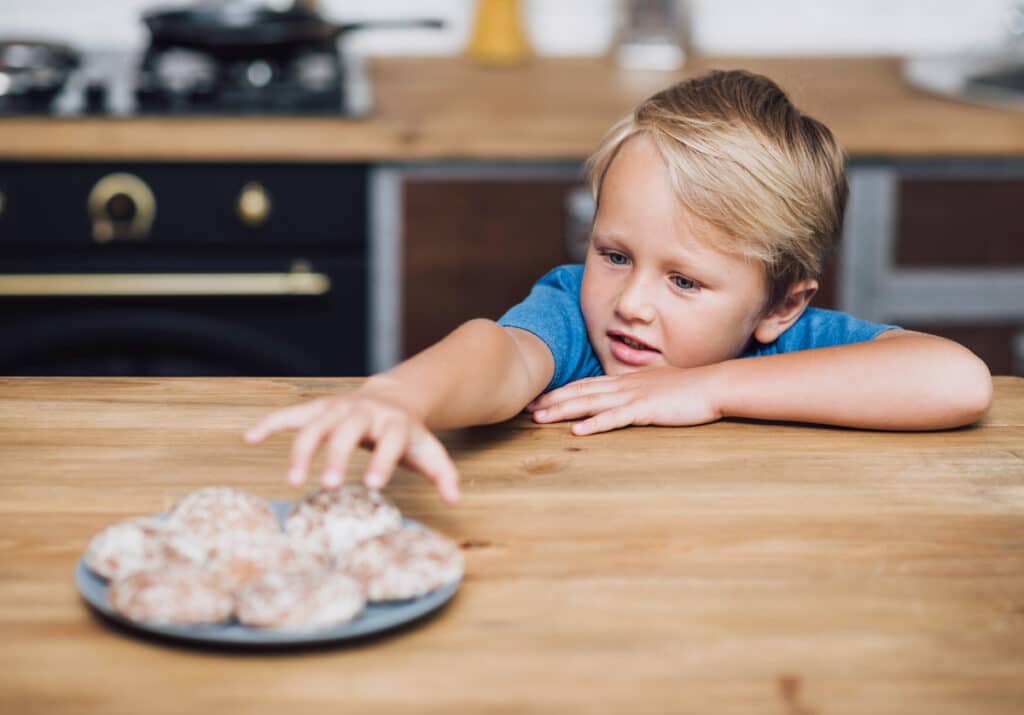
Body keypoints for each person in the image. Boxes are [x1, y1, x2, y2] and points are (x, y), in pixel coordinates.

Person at [244, 69, 993, 504]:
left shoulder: (793, 345)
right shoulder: (574, 315)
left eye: (686, 280)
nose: (632, 302)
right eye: (615, 253)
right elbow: (495, 353)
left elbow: (954, 379)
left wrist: (706, 389)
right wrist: (399, 397)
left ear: (780, 304)